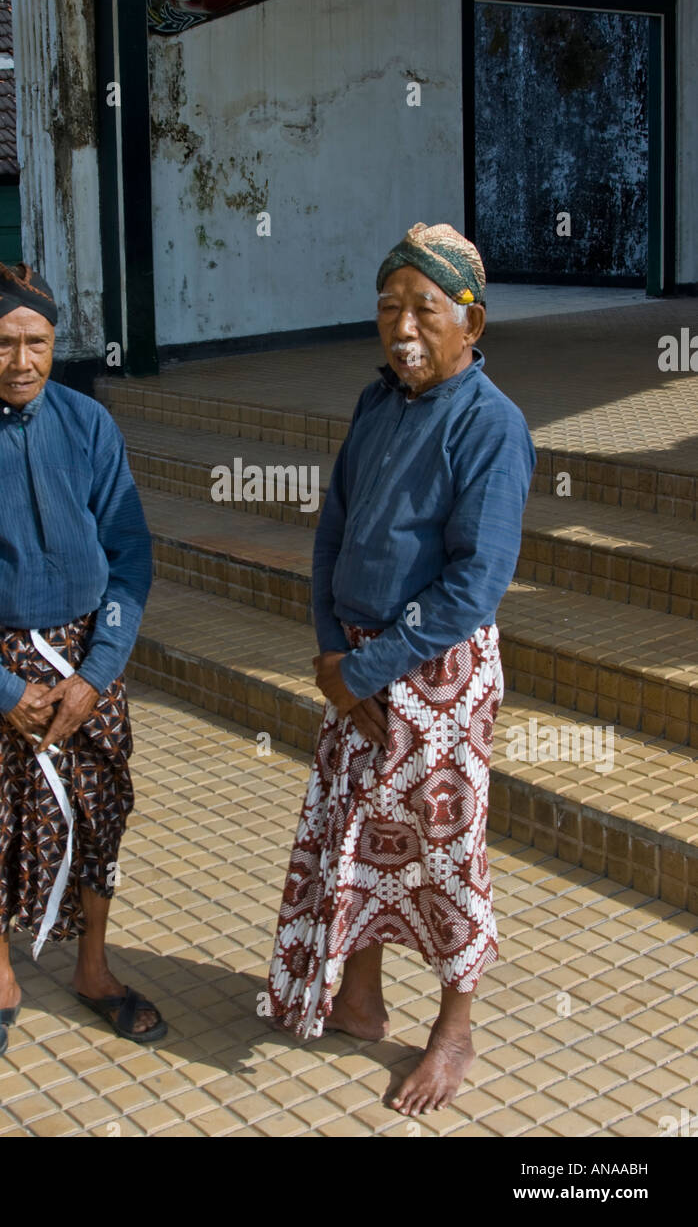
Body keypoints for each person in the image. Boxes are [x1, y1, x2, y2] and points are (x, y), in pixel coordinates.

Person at [267, 222, 536, 1115]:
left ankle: (454, 1031)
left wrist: (370, 666)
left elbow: (475, 584)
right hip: (357, 664)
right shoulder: (375, 403)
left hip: (438, 675)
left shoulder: (494, 426)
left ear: (474, 322)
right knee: (354, 836)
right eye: (388, 309)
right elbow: (333, 532)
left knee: (443, 851)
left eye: (426, 308)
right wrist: (332, 655)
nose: (404, 327)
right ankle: (361, 1000)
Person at [0, 260, 164, 1066]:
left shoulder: (90, 426)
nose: (24, 361)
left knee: (99, 817)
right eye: (4, 343)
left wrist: (96, 674)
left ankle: (93, 968)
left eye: (40, 342)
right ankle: (1, 982)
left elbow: (131, 559)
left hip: (88, 663)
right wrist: (2, 688)